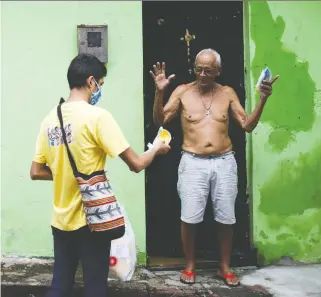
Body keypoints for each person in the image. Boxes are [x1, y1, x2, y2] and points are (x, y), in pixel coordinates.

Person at [30, 53, 170, 297]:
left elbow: (36, 171)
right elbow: (136, 164)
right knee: (95, 287)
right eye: (101, 85)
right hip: (92, 220)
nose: (99, 90)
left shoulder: (50, 119)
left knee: (60, 285)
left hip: (60, 220)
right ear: (91, 81)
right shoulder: (98, 117)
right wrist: (157, 149)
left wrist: (65, 174)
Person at [151, 48, 279, 287]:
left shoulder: (227, 93)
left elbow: (247, 125)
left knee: (226, 218)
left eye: (208, 70)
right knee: (189, 217)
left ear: (218, 71)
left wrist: (263, 99)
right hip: (192, 161)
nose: (202, 74)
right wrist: (159, 93)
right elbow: (161, 120)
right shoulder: (182, 92)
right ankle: (190, 264)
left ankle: (224, 266)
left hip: (224, 161)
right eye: (198, 69)